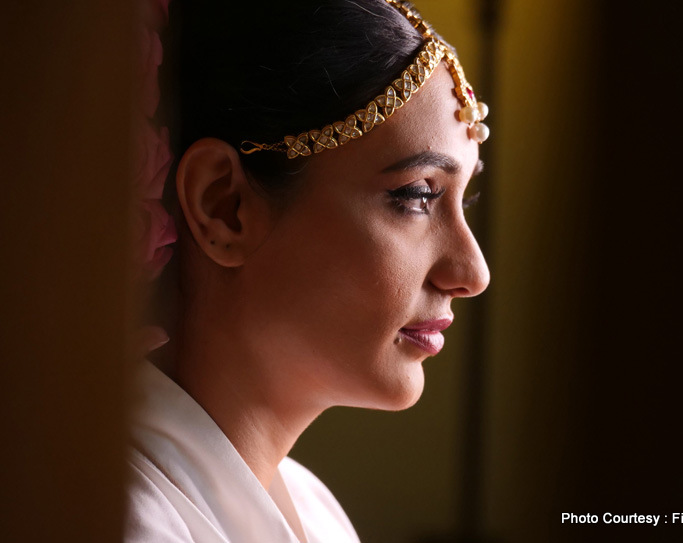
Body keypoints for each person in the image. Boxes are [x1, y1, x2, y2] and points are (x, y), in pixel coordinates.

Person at [125, 1, 491, 541]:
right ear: (223, 206)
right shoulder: (114, 517)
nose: (473, 272)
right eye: (416, 197)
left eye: (466, 199)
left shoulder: (314, 509)